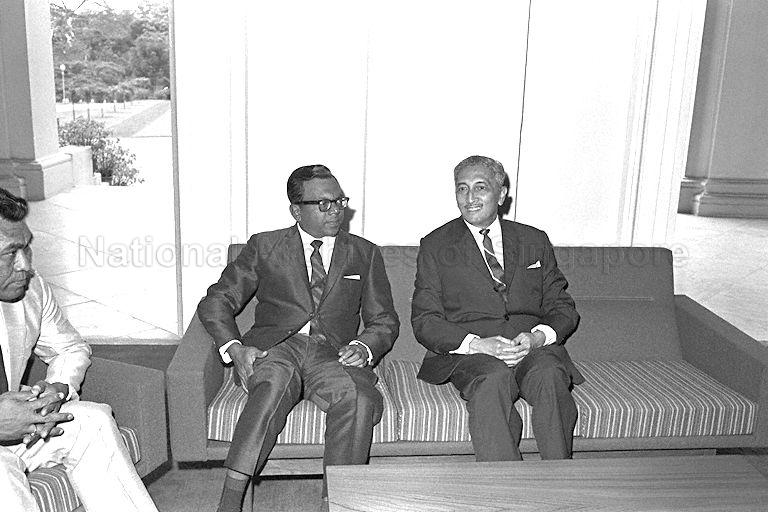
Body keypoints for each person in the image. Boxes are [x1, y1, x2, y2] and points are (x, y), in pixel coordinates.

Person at [198, 164, 399, 512]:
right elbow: (217, 300)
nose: (336, 209)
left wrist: (364, 346)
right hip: (278, 347)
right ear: (296, 210)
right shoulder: (266, 246)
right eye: (323, 203)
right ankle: (230, 500)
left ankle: (336, 503)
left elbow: (383, 319)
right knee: (272, 384)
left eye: (339, 200)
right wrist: (234, 347)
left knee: (359, 397)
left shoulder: (364, 252)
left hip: (332, 352)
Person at [411, 155, 583, 462]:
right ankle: (503, 490)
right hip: (474, 354)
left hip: (530, 348)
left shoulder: (534, 240)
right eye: (462, 189)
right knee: (493, 380)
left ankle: (560, 482)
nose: (470, 198)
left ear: (501, 194)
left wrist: (537, 338)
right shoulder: (435, 245)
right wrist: (477, 345)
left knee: (550, 373)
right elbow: (425, 320)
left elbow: (563, 307)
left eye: (480, 187)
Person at [0, 188, 158, 512]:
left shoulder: (31, 291)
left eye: (27, 248)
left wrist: (57, 388)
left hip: (15, 432)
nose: (26, 265)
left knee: (92, 421)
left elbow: (70, 348)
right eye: (11, 252)